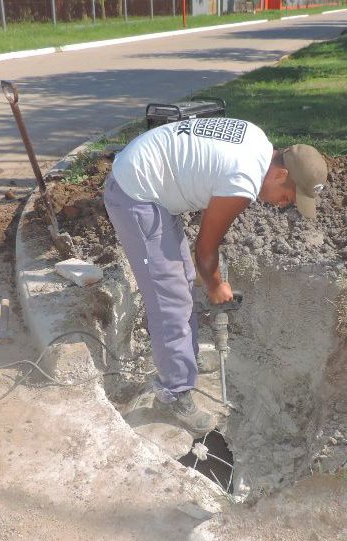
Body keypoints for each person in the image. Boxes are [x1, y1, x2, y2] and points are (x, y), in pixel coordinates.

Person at [103, 117, 327, 434]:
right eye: (288, 197)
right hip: (135, 194)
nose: (283, 205)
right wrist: (216, 285)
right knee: (169, 301)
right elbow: (205, 251)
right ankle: (172, 395)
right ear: (281, 174)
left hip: (151, 184)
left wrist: (211, 280)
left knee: (180, 279)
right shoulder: (244, 178)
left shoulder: (259, 141)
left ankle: (185, 360)